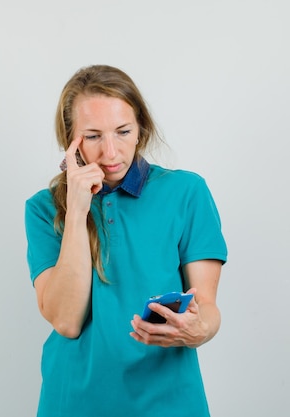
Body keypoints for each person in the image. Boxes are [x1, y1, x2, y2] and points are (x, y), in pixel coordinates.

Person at [24, 64, 228, 417]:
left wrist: (197, 329)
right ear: (70, 140)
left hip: (169, 403)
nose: (110, 152)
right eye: (92, 136)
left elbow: (206, 306)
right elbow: (67, 321)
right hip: (73, 402)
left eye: (122, 131)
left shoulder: (186, 192)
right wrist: (75, 210)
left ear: (140, 130)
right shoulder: (43, 209)